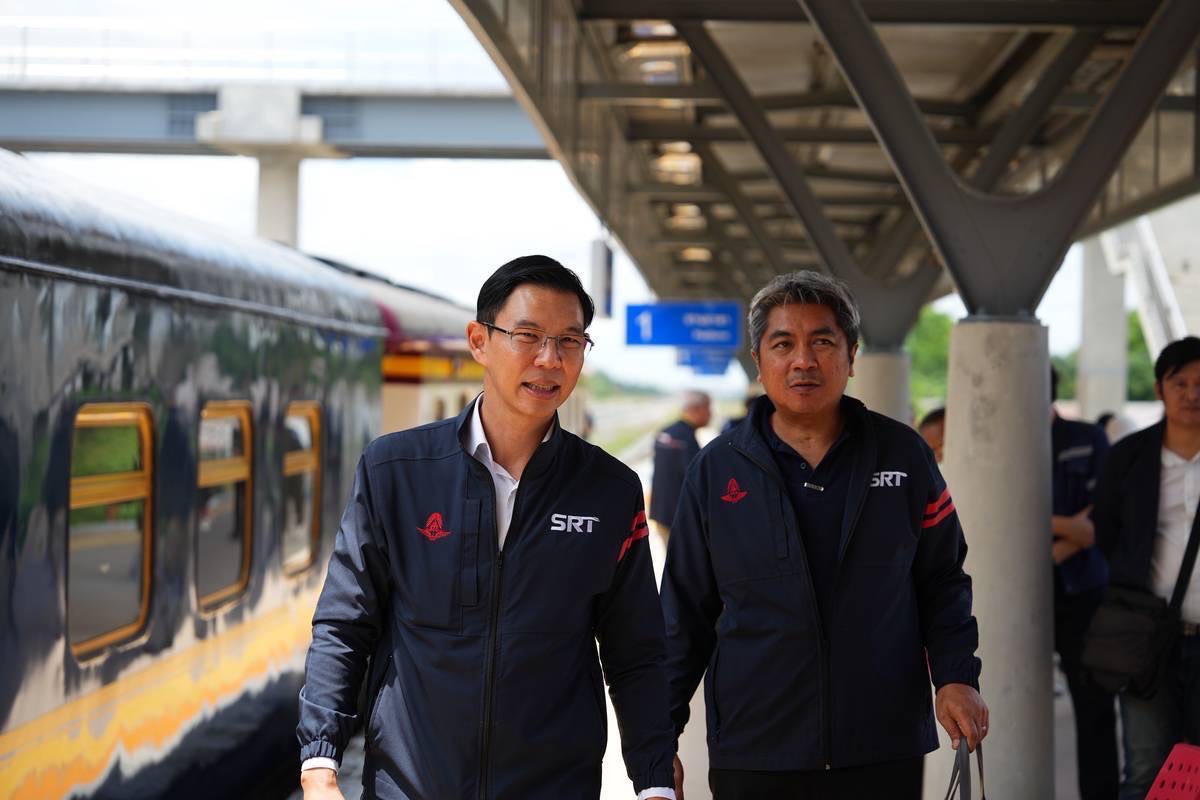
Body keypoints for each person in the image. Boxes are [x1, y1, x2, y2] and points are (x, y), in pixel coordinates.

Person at [297, 255, 677, 800]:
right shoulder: (395, 470)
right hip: (410, 786)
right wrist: (320, 763)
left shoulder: (610, 490)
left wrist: (654, 779)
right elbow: (344, 623)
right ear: (479, 341)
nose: (550, 359)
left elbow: (636, 650)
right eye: (528, 336)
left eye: (570, 342)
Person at [660, 271, 988, 800]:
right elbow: (682, 616)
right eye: (783, 344)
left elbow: (942, 579)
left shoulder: (904, 456)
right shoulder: (715, 471)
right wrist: (659, 737)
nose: (803, 361)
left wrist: (956, 676)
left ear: (851, 356)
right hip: (756, 746)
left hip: (881, 742)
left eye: (822, 342)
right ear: (759, 360)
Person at [1093, 336, 1200, 800]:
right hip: (1147, 636)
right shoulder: (1129, 456)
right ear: (1160, 389)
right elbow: (1107, 531)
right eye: (1180, 383)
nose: (1192, 394)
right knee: (1146, 768)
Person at [1048, 368, 1118, 800]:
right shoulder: (999, 440)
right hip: (1019, 596)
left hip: (1084, 592)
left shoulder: (1088, 438)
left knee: (1094, 709)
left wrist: (1047, 544)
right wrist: (1063, 527)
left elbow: (1099, 522)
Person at [649, 391, 710, 541]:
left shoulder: (665, 432)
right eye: (708, 408)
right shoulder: (686, 439)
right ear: (696, 409)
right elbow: (697, 478)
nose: (711, 414)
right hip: (680, 518)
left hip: (660, 511)